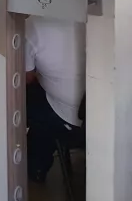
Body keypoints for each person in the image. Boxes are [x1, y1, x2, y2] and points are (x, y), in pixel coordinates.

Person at [25, 15, 86, 183]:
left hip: (71, 121)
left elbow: (25, 76)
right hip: (109, 116)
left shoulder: (34, 24)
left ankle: (36, 168)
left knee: (25, 102)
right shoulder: (100, 10)